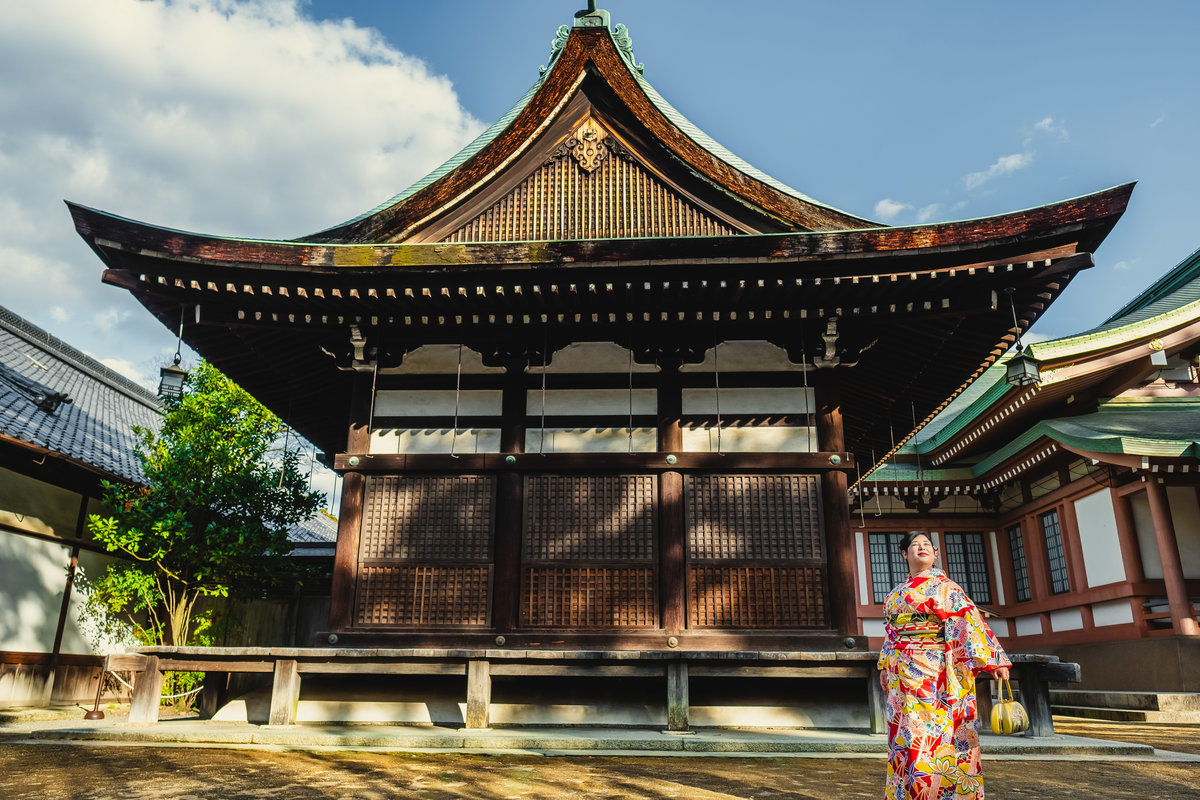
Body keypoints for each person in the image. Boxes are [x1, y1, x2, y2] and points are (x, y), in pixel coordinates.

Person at [877, 530, 1011, 799]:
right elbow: (891, 632)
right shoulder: (896, 594)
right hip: (900, 674)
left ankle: (941, 791)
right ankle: (908, 792)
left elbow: (969, 623)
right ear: (905, 554)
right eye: (914, 545)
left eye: (927, 544)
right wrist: (884, 664)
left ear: (935, 554)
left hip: (935, 672)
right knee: (904, 735)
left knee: (933, 734)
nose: (922, 548)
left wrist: (993, 659)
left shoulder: (947, 588)